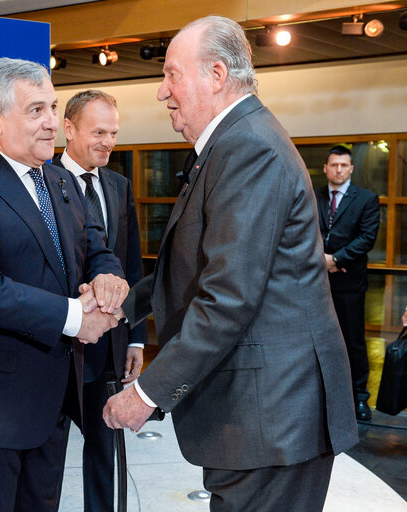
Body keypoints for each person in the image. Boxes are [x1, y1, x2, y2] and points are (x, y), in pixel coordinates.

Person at [102, 16, 358, 512]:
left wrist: (147, 394)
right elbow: (199, 266)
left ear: (216, 75)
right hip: (262, 421)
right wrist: (117, 307)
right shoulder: (232, 144)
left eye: (172, 75)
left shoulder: (248, 148)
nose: (162, 92)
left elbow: (227, 298)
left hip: (273, 421)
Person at [0, 57, 129, 512]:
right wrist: (77, 318)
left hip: (50, 404)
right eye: (37, 110)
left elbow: (97, 247)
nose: (52, 122)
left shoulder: (61, 182)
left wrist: (109, 277)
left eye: (53, 108)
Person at [52, 89, 147, 512]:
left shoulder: (118, 185)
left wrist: (136, 340)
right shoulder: (39, 183)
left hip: (107, 348)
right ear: (68, 130)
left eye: (113, 132)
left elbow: (130, 266)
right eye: (98, 132)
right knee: (45, 453)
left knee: (103, 451)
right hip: (54, 346)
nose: (108, 141)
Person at [315, 145, 380, 421]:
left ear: (351, 168)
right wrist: (320, 258)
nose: (339, 170)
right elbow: (301, 229)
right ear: (326, 168)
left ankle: (359, 398)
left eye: (344, 165)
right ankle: (319, 398)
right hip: (315, 282)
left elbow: (367, 238)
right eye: (334, 165)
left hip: (349, 282)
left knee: (352, 341)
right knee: (317, 340)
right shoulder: (312, 196)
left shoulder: (366, 199)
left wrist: (335, 258)